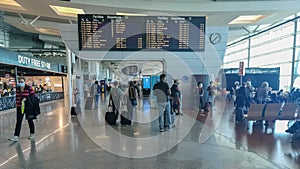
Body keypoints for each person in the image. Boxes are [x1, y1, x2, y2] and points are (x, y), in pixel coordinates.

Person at [9, 77, 35, 142]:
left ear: (24, 82)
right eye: (19, 82)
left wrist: (27, 99)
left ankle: (32, 133)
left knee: (30, 120)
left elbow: (34, 96)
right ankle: (16, 136)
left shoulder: (29, 88)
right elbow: (17, 98)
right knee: (18, 122)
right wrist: (18, 105)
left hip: (27, 107)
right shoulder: (17, 89)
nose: (20, 83)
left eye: (22, 81)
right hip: (20, 107)